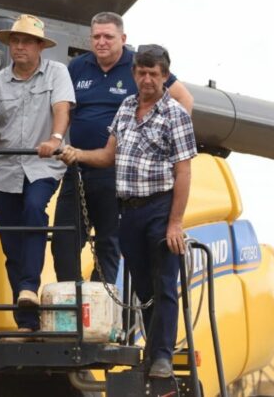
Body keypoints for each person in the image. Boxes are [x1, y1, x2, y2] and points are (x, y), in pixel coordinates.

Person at [59, 46, 196, 379]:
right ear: (134, 74)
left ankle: (162, 356)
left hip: (160, 208)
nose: (147, 79)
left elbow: (184, 172)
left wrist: (175, 223)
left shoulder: (175, 115)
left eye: (154, 74)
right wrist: (77, 154)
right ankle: (152, 351)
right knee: (144, 288)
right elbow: (109, 156)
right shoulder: (125, 107)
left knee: (164, 284)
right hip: (129, 210)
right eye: (141, 73)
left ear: (165, 76)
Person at [52, 12, 194, 285]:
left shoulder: (139, 65)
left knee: (108, 242)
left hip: (118, 171)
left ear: (123, 38)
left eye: (108, 36)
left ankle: (100, 298)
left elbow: (184, 99)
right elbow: (64, 108)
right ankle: (71, 298)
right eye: (96, 36)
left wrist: (163, 144)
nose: (101, 42)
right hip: (78, 166)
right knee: (63, 239)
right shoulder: (78, 66)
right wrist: (57, 138)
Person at [0, 14, 75, 335]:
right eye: (15, 41)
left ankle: (29, 286)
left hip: (43, 165)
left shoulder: (57, 72)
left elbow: (62, 109)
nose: (19, 47)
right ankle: (26, 322)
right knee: (11, 245)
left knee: (34, 208)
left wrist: (55, 140)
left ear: (40, 46)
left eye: (27, 42)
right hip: (4, 170)